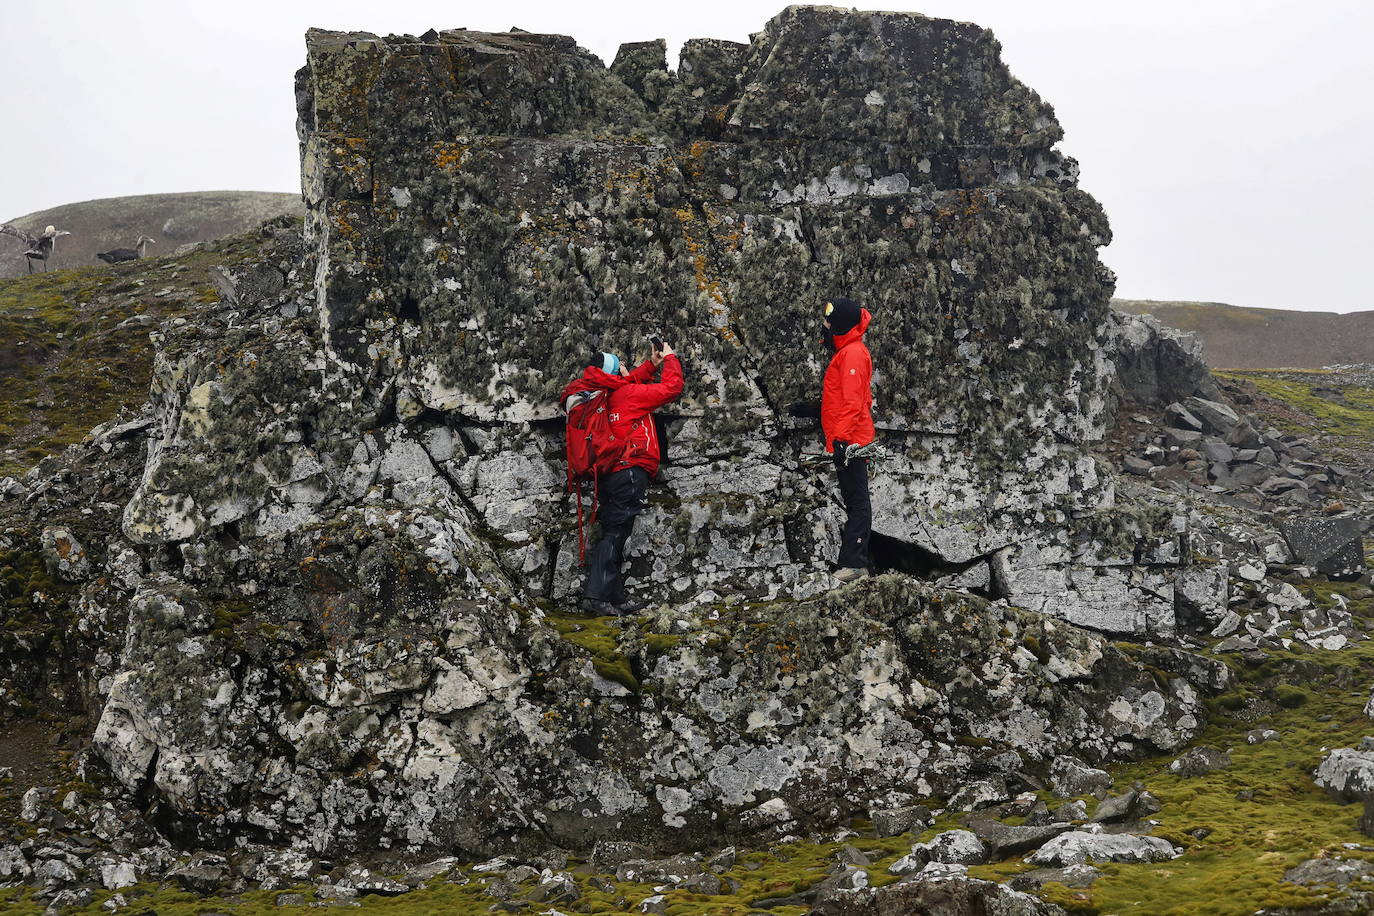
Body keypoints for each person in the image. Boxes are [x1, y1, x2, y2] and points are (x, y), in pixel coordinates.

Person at [560, 342, 684, 615]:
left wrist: (651, 365)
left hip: (610, 472)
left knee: (617, 532)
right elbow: (672, 388)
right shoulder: (627, 395)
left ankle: (614, 596)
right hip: (629, 471)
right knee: (616, 534)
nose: (628, 371)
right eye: (623, 368)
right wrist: (670, 358)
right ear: (616, 374)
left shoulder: (607, 395)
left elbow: (629, 382)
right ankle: (596, 598)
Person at [820, 297, 875, 582]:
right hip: (848, 438)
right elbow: (843, 397)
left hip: (852, 441)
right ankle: (854, 562)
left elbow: (853, 403)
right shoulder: (846, 352)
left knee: (857, 502)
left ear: (839, 325)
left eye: (829, 322)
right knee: (855, 500)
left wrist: (841, 441)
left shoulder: (852, 354)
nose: (825, 326)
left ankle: (855, 564)